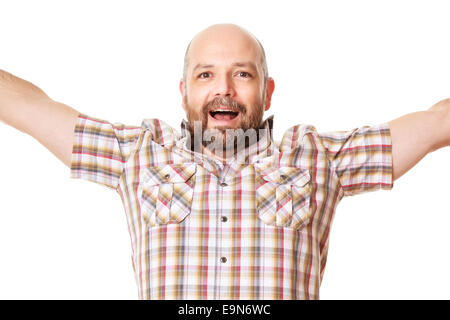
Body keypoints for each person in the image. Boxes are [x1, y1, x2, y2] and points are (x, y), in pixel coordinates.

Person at [0, 23, 449, 300]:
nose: (224, 89)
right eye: (206, 74)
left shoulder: (317, 158)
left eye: (242, 73)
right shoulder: (136, 153)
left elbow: (434, 125)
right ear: (184, 92)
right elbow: (30, 107)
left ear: (268, 90)